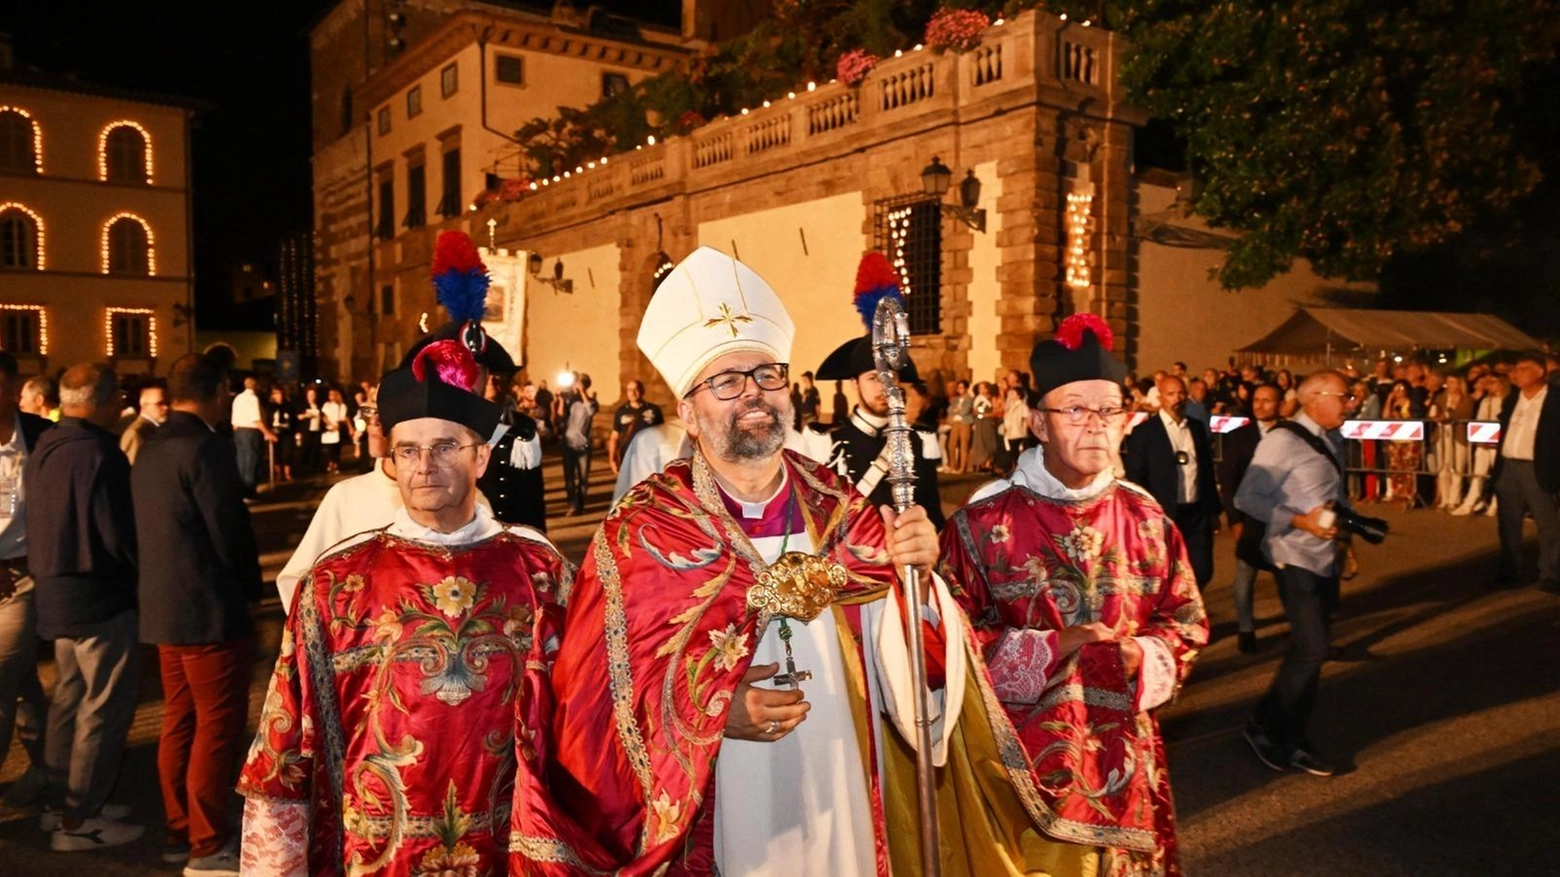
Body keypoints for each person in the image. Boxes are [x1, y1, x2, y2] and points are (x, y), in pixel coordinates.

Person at [509, 246, 962, 875]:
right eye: (726, 381)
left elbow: (912, 665)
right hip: (712, 817)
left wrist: (922, 582)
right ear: (690, 414)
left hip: (840, 793)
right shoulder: (641, 533)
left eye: (768, 375)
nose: (753, 393)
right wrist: (710, 712)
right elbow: (592, 707)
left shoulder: (843, 510)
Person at [238, 339, 573, 877]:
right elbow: (284, 746)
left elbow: (584, 718)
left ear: (481, 456)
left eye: (445, 447)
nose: (425, 466)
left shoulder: (540, 572)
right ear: (390, 460)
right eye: (408, 451)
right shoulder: (336, 582)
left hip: (511, 843)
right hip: (377, 850)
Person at [938, 313, 1209, 874]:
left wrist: (1143, 653)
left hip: (1130, 761)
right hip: (1023, 770)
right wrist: (1057, 644)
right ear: (1039, 423)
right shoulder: (980, 524)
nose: (1096, 426)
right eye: (1076, 409)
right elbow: (944, 640)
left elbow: (1185, 616)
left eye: (1110, 410)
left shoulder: (1147, 517)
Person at [132, 353, 263, 873]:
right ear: (218, 390)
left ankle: (178, 828)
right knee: (217, 725)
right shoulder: (206, 446)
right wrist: (250, 589)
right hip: (208, 608)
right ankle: (207, 845)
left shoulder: (152, 444)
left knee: (180, 720)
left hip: (164, 607)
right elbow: (228, 530)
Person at [24, 364, 143, 850]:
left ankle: (61, 804)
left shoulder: (47, 446)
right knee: (103, 706)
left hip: (56, 590)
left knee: (68, 701)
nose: (121, 404)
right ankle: (81, 818)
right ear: (100, 398)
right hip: (99, 595)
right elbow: (119, 535)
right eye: (118, 395)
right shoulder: (100, 453)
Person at [1236, 370, 1355, 777]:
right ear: (1315, 398)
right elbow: (1246, 497)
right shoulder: (1282, 441)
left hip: (1325, 558)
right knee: (1314, 647)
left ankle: (1285, 729)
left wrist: (1348, 540)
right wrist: (1300, 522)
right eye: (1345, 395)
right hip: (1293, 556)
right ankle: (1273, 732)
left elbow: (1333, 499)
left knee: (1310, 651)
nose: (1351, 402)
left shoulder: (1331, 439)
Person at [805, 251, 945, 529]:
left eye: (890, 376)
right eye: (873, 378)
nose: (885, 386)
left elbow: (933, 517)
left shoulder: (919, 440)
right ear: (854, 384)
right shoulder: (827, 443)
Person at [0, 352, 55, 813]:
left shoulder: (39, 436)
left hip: (23, 577)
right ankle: (46, 767)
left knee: (4, 676)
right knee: (22, 682)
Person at [1124, 374, 1223, 589]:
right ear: (1161, 398)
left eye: (1181, 393)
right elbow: (1136, 477)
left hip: (1197, 512)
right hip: (1165, 514)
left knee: (1202, 570)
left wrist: (1214, 511)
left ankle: (1186, 608)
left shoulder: (1196, 428)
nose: (1177, 398)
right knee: (1165, 572)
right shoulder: (1145, 433)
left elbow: (1206, 470)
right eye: (1171, 394)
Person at [1219, 383, 1284, 652]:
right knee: (1245, 575)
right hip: (1249, 518)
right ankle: (1246, 628)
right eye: (1257, 400)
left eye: (1267, 400)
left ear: (1279, 404)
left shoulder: (1290, 436)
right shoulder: (1238, 437)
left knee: (1287, 574)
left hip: (1283, 518)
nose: (1260, 405)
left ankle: (1299, 624)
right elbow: (1228, 480)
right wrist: (1234, 520)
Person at [1493, 353, 1560, 592]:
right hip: (1508, 466)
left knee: (1547, 524)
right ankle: (1511, 569)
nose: (1516, 373)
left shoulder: (1554, 400)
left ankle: (1551, 573)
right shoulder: (1512, 399)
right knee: (1508, 522)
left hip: (1537, 468)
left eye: (1523, 369)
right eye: (1515, 369)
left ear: (1540, 372)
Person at [1452, 373, 1508, 516]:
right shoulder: (1486, 401)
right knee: (1478, 473)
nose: (1490, 385)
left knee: (1498, 475)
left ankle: (1496, 504)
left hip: (1498, 444)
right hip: (1484, 442)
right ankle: (1470, 502)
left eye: (1493, 382)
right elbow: (1480, 420)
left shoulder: (1506, 400)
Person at [1432, 374, 1475, 510]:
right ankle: (1444, 498)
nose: (1449, 385)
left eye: (1452, 382)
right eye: (1448, 382)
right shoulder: (1441, 398)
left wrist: (1449, 415)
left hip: (1459, 435)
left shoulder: (1467, 399)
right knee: (1444, 467)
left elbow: (1466, 414)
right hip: (1443, 434)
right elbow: (1434, 412)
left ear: (1459, 384)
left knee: (1457, 468)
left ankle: (1454, 499)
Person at [558, 373, 598, 516]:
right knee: (569, 478)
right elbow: (561, 414)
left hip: (583, 445)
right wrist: (561, 399)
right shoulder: (570, 400)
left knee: (582, 478)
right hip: (568, 444)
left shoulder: (592, 401)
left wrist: (582, 392)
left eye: (580, 382)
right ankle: (572, 505)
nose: (576, 384)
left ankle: (580, 505)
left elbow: (591, 411)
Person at [229, 376, 275, 497]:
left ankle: (240, 490)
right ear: (255, 386)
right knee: (251, 460)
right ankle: (249, 491)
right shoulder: (252, 398)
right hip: (250, 431)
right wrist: (267, 433)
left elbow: (233, 420)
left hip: (238, 431)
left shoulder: (238, 398)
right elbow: (256, 419)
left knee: (241, 460)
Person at [607, 378, 664, 474]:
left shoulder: (654, 410)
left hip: (649, 458)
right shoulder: (621, 411)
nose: (632, 393)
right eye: (629, 390)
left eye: (636, 390)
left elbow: (663, 435)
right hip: (628, 457)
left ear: (642, 391)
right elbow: (614, 437)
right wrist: (612, 459)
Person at [120, 382, 168, 465]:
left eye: (167, 403)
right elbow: (131, 468)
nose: (166, 407)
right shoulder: (135, 434)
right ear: (144, 405)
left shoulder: (158, 429)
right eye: (159, 404)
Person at [320, 386, 354, 474]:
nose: (330, 396)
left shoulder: (342, 406)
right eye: (329, 394)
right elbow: (324, 416)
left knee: (336, 448)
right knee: (329, 448)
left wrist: (338, 425)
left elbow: (343, 418)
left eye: (332, 394)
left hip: (337, 428)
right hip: (329, 428)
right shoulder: (326, 405)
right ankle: (330, 463)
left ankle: (336, 464)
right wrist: (329, 424)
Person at [267, 387, 296, 481]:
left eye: (280, 394)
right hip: (275, 432)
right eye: (276, 394)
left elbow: (293, 419)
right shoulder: (270, 407)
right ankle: (278, 474)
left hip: (287, 432)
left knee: (287, 453)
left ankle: (287, 473)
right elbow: (268, 420)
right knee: (277, 454)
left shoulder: (289, 406)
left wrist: (296, 431)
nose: (278, 396)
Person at [946, 379, 974, 473]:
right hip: (955, 423)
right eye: (958, 387)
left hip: (965, 423)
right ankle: (952, 465)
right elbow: (949, 410)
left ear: (966, 388)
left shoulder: (969, 399)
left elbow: (964, 411)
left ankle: (962, 467)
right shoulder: (956, 399)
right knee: (951, 445)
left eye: (962, 387)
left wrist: (956, 410)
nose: (960, 389)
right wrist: (956, 410)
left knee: (964, 446)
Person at [298, 385, 324, 474]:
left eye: (313, 395)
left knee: (316, 448)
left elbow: (323, 416)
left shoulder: (318, 405)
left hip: (316, 429)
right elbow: (299, 416)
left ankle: (315, 466)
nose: (312, 397)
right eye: (310, 395)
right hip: (307, 430)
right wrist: (307, 416)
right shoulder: (303, 405)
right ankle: (305, 467)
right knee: (306, 448)